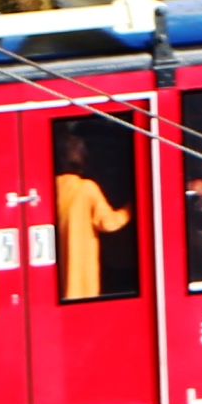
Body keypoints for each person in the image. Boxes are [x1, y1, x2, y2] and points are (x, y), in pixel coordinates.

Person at [52, 120, 132, 302]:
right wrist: (131, 208)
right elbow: (109, 223)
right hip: (81, 278)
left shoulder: (51, 187)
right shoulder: (86, 188)